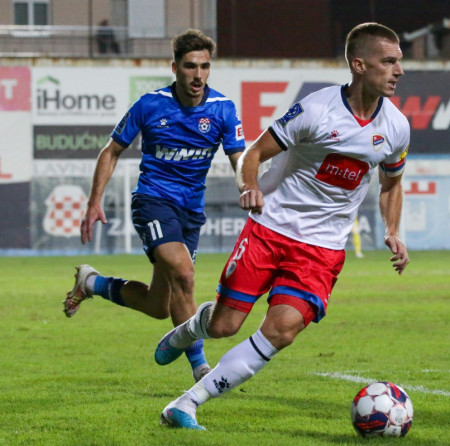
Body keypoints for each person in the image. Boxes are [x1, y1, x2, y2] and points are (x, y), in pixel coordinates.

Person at [154, 22, 410, 430]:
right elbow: (254, 153)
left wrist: (393, 231)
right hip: (270, 229)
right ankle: (190, 330)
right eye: (389, 61)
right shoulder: (316, 110)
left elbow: (391, 184)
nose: (399, 70)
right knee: (224, 325)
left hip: (323, 248)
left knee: (282, 331)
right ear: (359, 65)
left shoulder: (396, 127)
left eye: (399, 61)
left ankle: (186, 404)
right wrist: (249, 186)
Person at [63, 29, 245, 383]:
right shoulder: (150, 104)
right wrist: (93, 201)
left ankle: (92, 282)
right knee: (185, 275)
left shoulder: (222, 108)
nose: (198, 75)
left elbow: (239, 157)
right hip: (153, 201)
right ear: (175, 68)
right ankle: (201, 369)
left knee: (158, 305)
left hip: (190, 211)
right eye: (190, 66)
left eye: (205, 66)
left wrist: (248, 186)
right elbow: (111, 151)